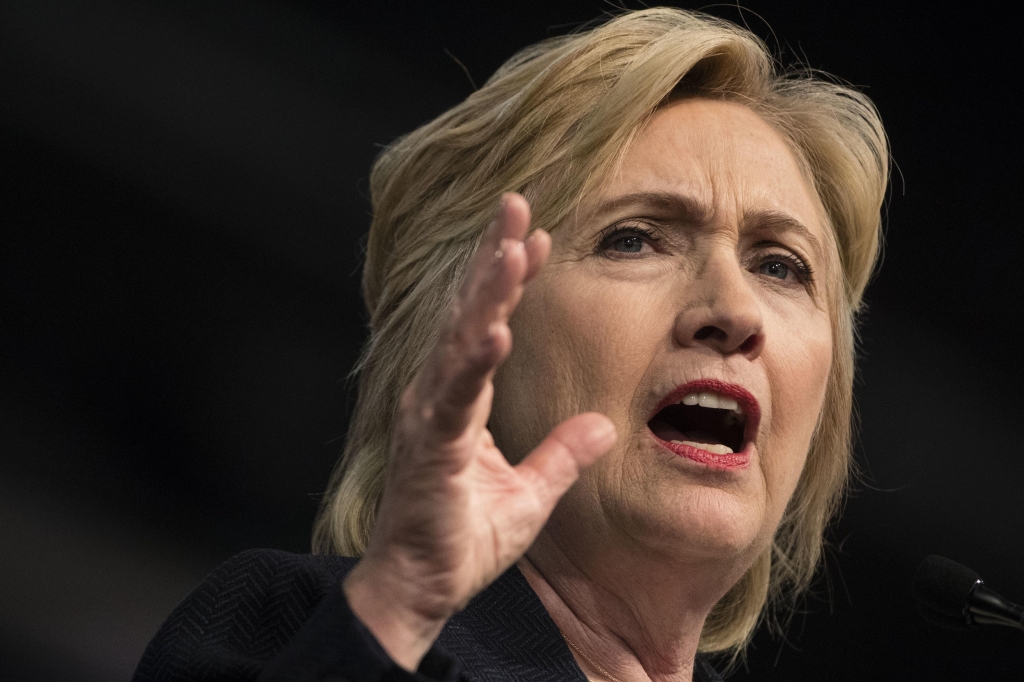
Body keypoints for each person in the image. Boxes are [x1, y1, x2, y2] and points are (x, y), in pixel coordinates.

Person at [133, 8, 888, 682]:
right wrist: (396, 609)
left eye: (781, 266)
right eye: (634, 239)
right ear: (469, 336)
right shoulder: (305, 629)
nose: (733, 310)